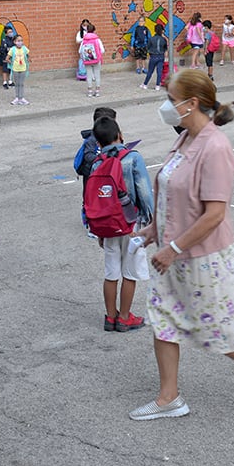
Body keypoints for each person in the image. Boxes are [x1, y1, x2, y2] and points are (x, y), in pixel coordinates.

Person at [129, 70, 234, 421]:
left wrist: (172, 247)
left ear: (191, 103)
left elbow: (214, 214)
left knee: (219, 333)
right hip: (172, 255)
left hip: (202, 258)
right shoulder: (186, 139)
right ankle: (169, 398)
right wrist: (152, 230)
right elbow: (176, 195)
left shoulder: (215, 146)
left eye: (170, 98)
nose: (165, 105)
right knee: (163, 321)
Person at [89, 115, 153, 332]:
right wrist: (151, 223)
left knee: (111, 272)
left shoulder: (96, 162)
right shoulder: (133, 158)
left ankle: (110, 316)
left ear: (98, 143)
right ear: (120, 135)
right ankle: (125, 317)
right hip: (130, 223)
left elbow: (92, 198)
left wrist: (96, 228)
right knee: (130, 271)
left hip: (106, 225)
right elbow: (144, 192)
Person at [78, 22, 104, 98]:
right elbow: (102, 50)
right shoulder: (97, 40)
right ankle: (97, 91)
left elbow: (80, 51)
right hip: (96, 60)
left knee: (89, 75)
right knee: (97, 75)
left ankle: (89, 91)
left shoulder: (84, 40)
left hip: (87, 60)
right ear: (94, 30)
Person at [7, 33, 32, 105]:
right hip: (15, 69)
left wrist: (29, 59)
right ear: (14, 42)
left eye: (21, 40)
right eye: (18, 41)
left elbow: (28, 55)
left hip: (23, 68)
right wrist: (11, 62)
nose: (20, 42)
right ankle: (17, 97)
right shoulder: (13, 49)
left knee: (21, 84)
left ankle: (21, 97)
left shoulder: (24, 48)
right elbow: (7, 58)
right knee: (17, 84)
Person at [142, 24, 167, 91]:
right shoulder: (163, 39)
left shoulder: (151, 39)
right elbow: (165, 48)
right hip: (161, 56)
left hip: (153, 56)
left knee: (150, 71)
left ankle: (145, 84)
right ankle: (157, 85)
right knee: (159, 71)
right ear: (162, 31)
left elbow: (148, 47)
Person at [0, 25, 17, 89]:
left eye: (11, 31)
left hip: (12, 57)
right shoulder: (4, 40)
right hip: (5, 57)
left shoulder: (13, 39)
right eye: (9, 32)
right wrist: (6, 50)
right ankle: (5, 82)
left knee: (10, 69)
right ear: (6, 33)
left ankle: (10, 81)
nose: (11, 33)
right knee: (5, 69)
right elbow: (2, 49)